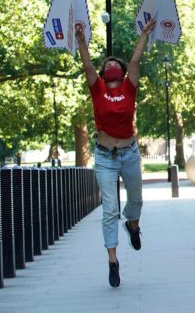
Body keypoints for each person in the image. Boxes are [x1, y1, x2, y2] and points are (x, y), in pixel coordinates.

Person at [75, 19, 156, 288]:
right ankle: (113, 261)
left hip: (129, 153)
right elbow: (87, 65)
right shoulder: (97, 89)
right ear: (103, 72)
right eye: (107, 63)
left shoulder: (128, 88)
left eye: (115, 63)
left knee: (137, 201)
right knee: (110, 210)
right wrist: (81, 41)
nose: (111, 64)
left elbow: (135, 60)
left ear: (121, 72)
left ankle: (133, 226)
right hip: (105, 156)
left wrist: (144, 34)